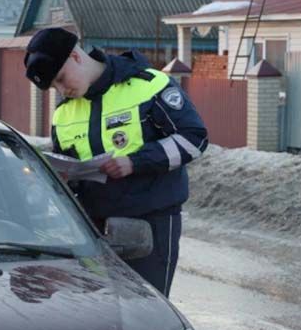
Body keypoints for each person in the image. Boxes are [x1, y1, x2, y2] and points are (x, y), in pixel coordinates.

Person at [24, 28, 208, 297]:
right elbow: (66, 164)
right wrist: (63, 179)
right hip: (93, 230)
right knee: (99, 314)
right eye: (55, 87)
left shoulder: (149, 85)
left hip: (150, 224)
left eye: (61, 79)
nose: (63, 90)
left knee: (145, 310)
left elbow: (194, 139)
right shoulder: (63, 113)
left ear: (75, 56)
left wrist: (135, 162)